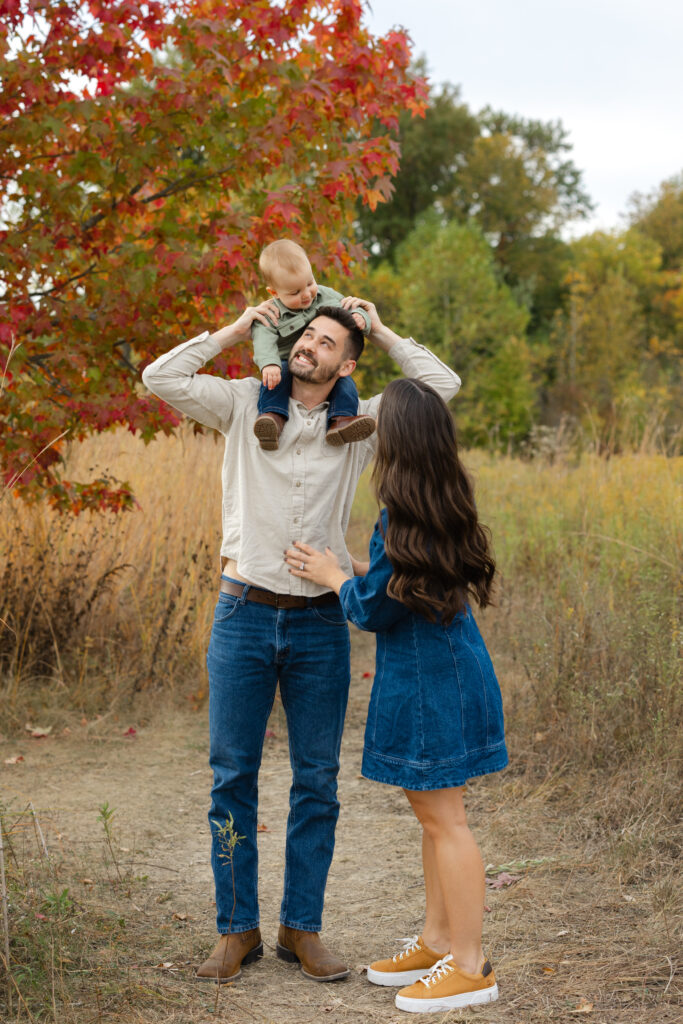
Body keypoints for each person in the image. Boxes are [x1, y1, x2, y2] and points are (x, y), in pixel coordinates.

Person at [141, 298, 461, 985]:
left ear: (346, 364)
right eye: (305, 335)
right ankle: (236, 930)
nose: (308, 345)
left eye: (326, 341)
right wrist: (237, 329)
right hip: (242, 613)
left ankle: (301, 928)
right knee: (232, 777)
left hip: (321, 622)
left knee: (317, 781)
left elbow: (441, 387)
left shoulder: (362, 425)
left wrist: (381, 330)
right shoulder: (242, 403)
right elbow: (159, 378)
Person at [284, 377, 507, 1013]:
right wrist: (359, 568)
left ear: (400, 443)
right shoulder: (440, 501)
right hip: (446, 672)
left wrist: (334, 577)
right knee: (434, 819)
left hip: (432, 683)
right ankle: (438, 941)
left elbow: (373, 612)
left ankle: (471, 967)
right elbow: (402, 583)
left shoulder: (402, 515)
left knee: (446, 822)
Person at [252, 239, 375, 450]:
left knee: (345, 382)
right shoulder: (271, 312)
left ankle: (341, 420)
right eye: (295, 292)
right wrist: (269, 363)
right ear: (274, 293)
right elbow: (263, 339)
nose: (307, 294)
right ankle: (272, 418)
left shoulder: (326, 295)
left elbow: (350, 306)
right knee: (275, 379)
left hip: (321, 364)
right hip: (286, 360)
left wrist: (361, 317)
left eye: (310, 283)